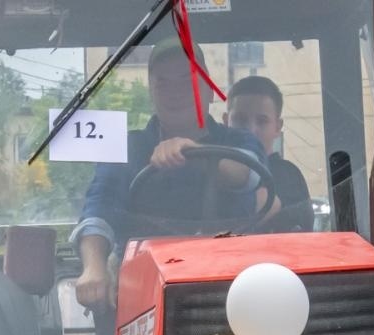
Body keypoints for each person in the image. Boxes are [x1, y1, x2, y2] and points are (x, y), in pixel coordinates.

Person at [71, 39, 266, 314]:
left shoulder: (239, 141)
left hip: (234, 289)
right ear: (151, 92)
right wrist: (94, 267)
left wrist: (196, 153)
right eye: (163, 83)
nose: (175, 93)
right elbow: (98, 211)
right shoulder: (127, 147)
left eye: (186, 81)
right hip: (145, 294)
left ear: (209, 91)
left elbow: (247, 176)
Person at [226, 75, 314, 233]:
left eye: (262, 121)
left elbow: (241, 217)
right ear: (226, 122)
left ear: (277, 127)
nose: (251, 130)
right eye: (240, 119)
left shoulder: (288, 176)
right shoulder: (212, 167)